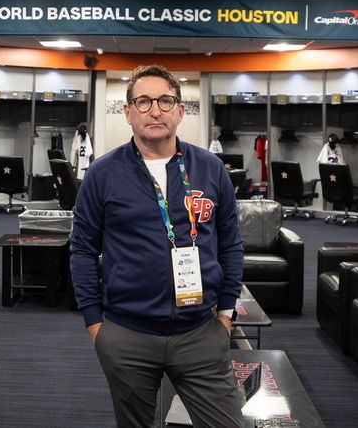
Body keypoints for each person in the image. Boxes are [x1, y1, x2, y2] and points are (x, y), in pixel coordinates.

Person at [70, 65, 244, 428]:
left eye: (165, 100)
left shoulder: (211, 168)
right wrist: (95, 325)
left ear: (180, 110)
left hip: (201, 332)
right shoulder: (102, 173)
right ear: (128, 112)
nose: (155, 110)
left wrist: (226, 314)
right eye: (143, 101)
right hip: (126, 335)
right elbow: (83, 250)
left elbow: (230, 244)